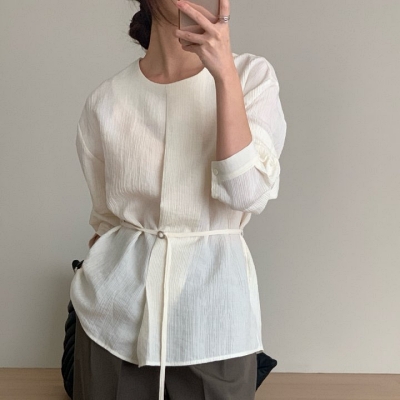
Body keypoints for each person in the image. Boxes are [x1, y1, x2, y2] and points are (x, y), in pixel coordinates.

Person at [70, 0, 287, 399]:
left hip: (215, 321)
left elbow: (245, 193)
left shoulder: (250, 76)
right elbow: (105, 220)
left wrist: (223, 75)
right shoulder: (106, 101)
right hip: (111, 325)